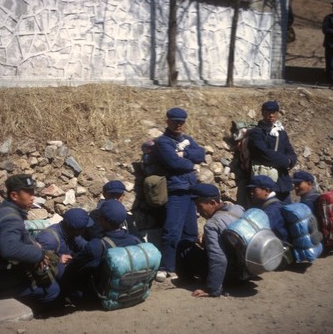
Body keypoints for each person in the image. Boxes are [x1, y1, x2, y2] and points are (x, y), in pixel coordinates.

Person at [151, 107, 205, 282]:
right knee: (172, 230)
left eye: (181, 122)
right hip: (176, 190)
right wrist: (192, 164)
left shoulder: (188, 140)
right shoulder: (163, 142)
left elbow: (201, 154)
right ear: (167, 121)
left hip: (190, 190)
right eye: (174, 121)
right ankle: (167, 266)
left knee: (190, 231)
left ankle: (185, 265)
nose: (178, 125)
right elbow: (174, 163)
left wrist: (185, 153)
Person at [0, 174, 59, 304]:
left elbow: (20, 235)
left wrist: (33, 243)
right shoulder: (11, 218)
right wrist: (39, 254)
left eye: (33, 192)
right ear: (14, 196)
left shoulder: (2, 208)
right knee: (52, 290)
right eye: (28, 193)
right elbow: (9, 249)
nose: (33, 197)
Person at [59, 199, 140, 304]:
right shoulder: (135, 240)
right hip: (126, 290)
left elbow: (73, 269)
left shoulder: (97, 246)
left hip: (100, 295)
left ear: (103, 220)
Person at [176, 183, 245, 298]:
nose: (198, 211)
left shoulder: (212, 224)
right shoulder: (238, 209)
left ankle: (188, 281)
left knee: (184, 245)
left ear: (213, 203)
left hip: (230, 277)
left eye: (199, 206)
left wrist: (213, 289)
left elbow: (218, 258)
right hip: (246, 272)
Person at [247, 101, 297, 204]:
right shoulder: (257, 132)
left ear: (277, 114)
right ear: (262, 113)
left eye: (274, 112)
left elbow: (290, 152)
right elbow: (263, 153)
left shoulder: (281, 132)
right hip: (265, 182)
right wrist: (285, 161)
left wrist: (290, 160)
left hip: (282, 182)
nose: (271, 115)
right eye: (268, 112)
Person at [36, 208, 92, 280]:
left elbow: (83, 244)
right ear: (77, 231)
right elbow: (41, 266)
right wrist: (58, 260)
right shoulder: (49, 240)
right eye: (84, 228)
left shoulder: (71, 232)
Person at [246, 175, 288, 242]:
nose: (251, 193)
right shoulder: (268, 205)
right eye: (251, 190)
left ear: (267, 191)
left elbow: (259, 230)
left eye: (254, 190)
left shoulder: (272, 210)